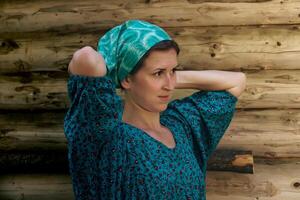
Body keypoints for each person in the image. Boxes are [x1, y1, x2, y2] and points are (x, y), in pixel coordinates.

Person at [64, 20, 246, 200]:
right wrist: (118, 73)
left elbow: (236, 82)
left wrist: (167, 77)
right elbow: (86, 58)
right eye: (157, 73)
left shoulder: (181, 125)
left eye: (173, 70)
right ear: (127, 79)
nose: (169, 85)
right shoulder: (107, 138)